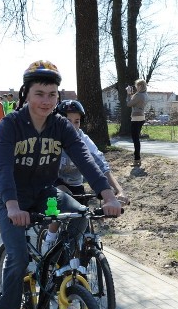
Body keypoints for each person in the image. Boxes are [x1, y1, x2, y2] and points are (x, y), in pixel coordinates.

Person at [0, 60, 123, 309]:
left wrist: (107, 194)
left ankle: (54, 265)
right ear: (26, 94)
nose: (46, 101)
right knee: (19, 256)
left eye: (52, 94)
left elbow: (86, 159)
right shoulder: (10, 124)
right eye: (39, 94)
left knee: (78, 216)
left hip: (46, 195)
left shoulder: (60, 125)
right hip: (12, 198)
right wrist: (12, 205)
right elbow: (0, 168)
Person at [42, 99, 128, 251]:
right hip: (52, 181)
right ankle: (49, 238)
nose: (73, 126)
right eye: (67, 121)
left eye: (77, 121)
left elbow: (101, 165)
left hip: (75, 184)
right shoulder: (50, 137)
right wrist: (59, 185)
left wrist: (118, 191)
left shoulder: (83, 139)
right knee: (55, 212)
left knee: (81, 220)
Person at [126, 79, 148, 165]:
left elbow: (129, 104)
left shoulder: (139, 95)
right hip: (142, 117)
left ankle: (137, 159)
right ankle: (137, 158)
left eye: (137, 85)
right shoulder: (145, 95)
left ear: (140, 86)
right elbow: (135, 102)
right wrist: (132, 95)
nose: (136, 87)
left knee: (135, 139)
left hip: (136, 118)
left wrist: (128, 94)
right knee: (136, 139)